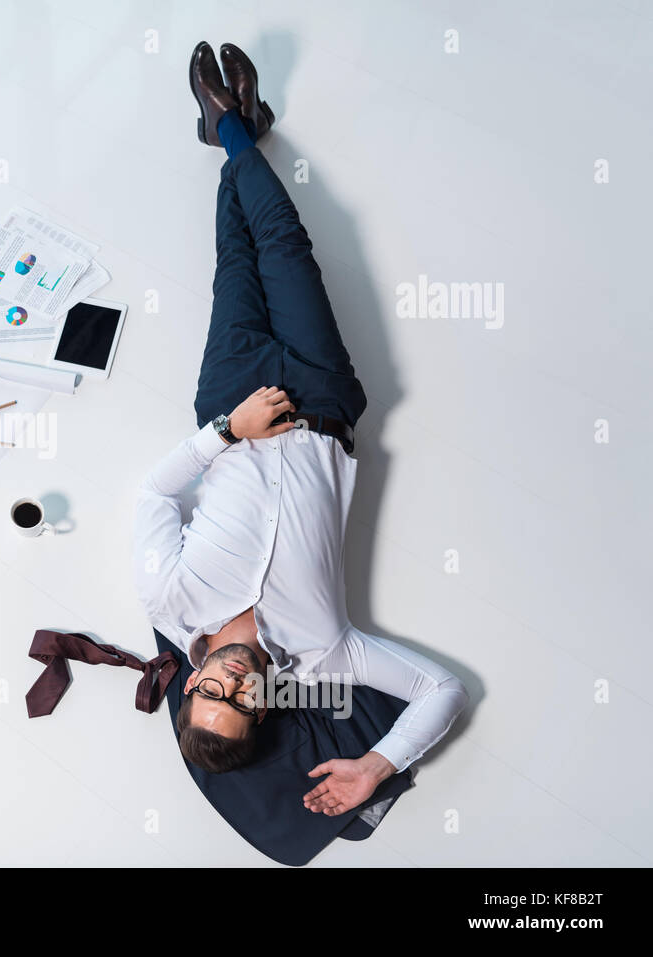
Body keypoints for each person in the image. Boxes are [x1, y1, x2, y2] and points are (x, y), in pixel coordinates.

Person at [132, 41, 468, 817]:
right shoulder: (323, 649)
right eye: (244, 701)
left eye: (213, 690)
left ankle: (232, 129)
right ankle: (233, 128)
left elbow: (153, 492)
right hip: (320, 400)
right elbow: (441, 689)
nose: (235, 682)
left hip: (234, 398)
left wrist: (227, 429)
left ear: (192, 680)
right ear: (264, 706)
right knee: (285, 245)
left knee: (233, 264)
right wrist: (377, 766)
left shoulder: (171, 598)